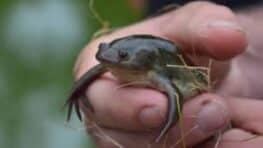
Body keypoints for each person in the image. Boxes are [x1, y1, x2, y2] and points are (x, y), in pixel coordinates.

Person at [73, 1, 263, 148]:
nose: (105, 58)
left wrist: (168, 128)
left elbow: (175, 95)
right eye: (103, 50)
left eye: (122, 56)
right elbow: (95, 72)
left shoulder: (155, 73)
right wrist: (78, 95)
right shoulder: (109, 63)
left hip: (193, 79)